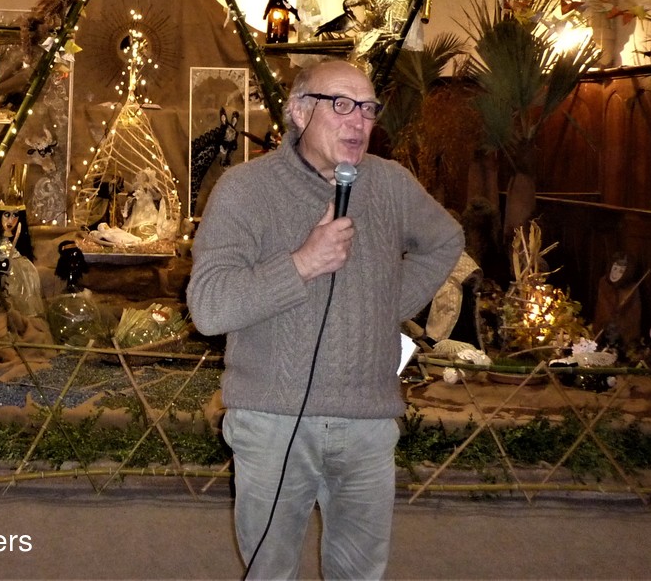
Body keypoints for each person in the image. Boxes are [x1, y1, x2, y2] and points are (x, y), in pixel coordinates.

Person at [188, 60, 463, 580]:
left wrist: (385, 304)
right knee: (270, 572)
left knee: (359, 574)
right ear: (298, 112)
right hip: (272, 419)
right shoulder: (245, 189)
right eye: (341, 105)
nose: (358, 121)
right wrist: (302, 264)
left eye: (368, 109)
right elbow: (209, 306)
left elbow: (445, 240)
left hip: (368, 421)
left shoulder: (391, 184)